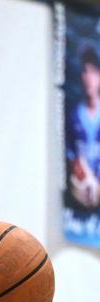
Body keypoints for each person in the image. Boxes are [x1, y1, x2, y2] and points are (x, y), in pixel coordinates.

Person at [67, 45, 100, 208]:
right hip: (81, 196)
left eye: (94, 72)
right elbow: (71, 155)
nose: (88, 78)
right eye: (85, 71)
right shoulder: (74, 115)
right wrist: (84, 179)